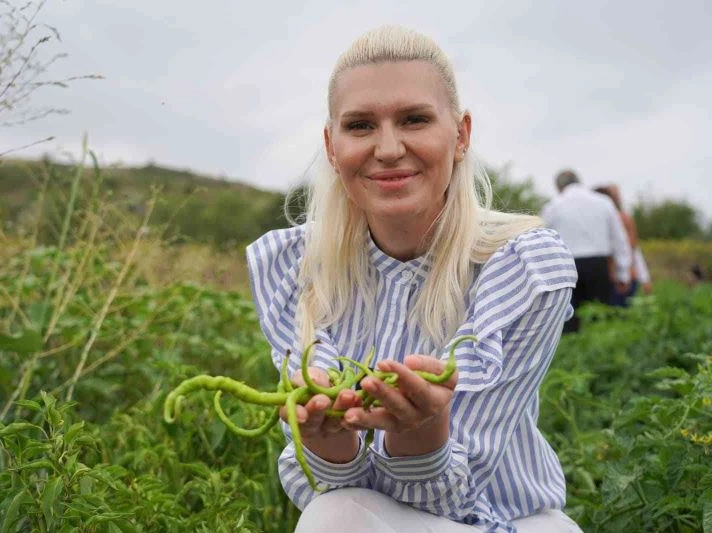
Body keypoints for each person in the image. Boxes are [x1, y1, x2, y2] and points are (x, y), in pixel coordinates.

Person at [246, 26, 582, 532]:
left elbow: (460, 495)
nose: (387, 148)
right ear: (332, 147)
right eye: (360, 126)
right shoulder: (294, 265)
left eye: (414, 119)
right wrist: (325, 436)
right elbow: (332, 491)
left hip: (514, 522)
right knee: (332, 514)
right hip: (361, 519)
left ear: (461, 134)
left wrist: (421, 436)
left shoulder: (522, 266)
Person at [541, 171, 631, 331]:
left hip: (565, 266)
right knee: (599, 318)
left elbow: (543, 240)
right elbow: (619, 238)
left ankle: (574, 351)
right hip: (598, 266)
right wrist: (623, 272)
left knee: (569, 320)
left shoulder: (553, 206)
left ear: (558, 186)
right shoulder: (603, 202)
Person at [592, 185, 651, 305]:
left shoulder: (622, 219)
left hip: (619, 279)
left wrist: (642, 277)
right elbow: (633, 250)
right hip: (621, 277)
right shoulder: (619, 218)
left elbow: (632, 250)